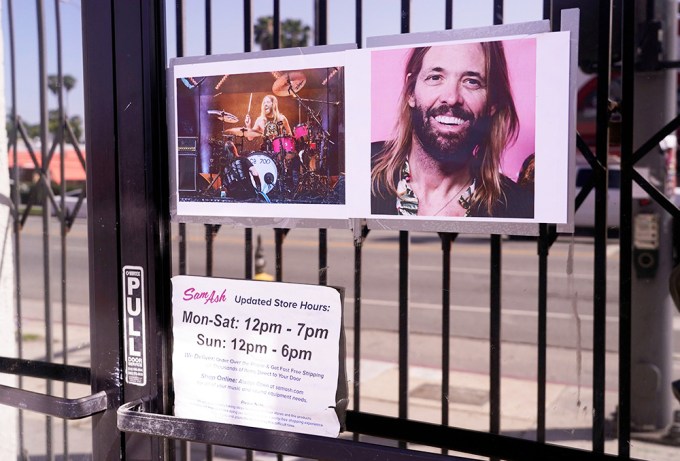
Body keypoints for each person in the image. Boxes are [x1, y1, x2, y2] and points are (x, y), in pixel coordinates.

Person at [371, 42, 534, 218]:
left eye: (472, 82)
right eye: (435, 77)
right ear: (411, 91)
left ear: (493, 103)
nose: (451, 98)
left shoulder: (518, 209)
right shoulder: (357, 170)